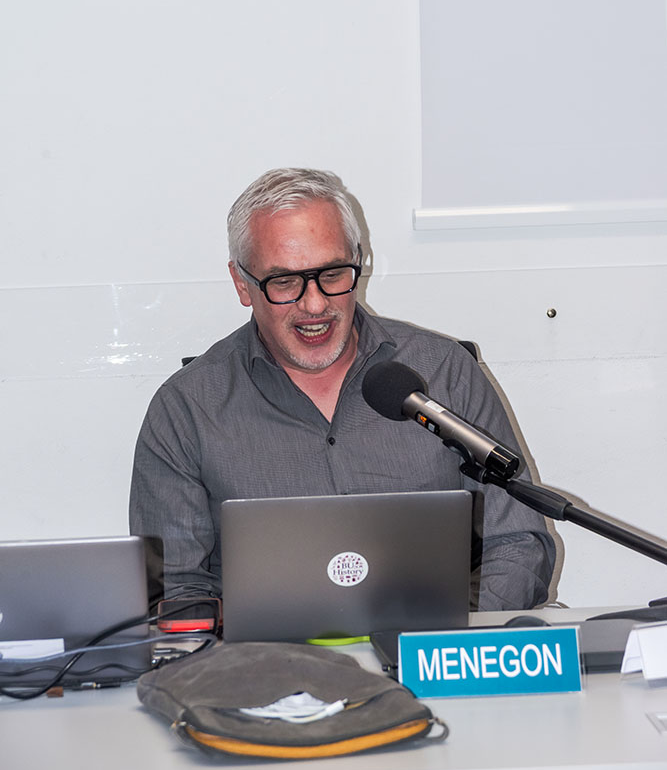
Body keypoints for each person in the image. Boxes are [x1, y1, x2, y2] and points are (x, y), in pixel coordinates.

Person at [130, 168, 555, 610]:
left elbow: (519, 542)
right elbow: (174, 589)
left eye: (333, 274)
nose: (315, 304)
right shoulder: (187, 409)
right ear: (242, 283)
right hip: (267, 654)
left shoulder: (445, 372)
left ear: (358, 260)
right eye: (284, 282)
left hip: (432, 646)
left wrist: (449, 637)